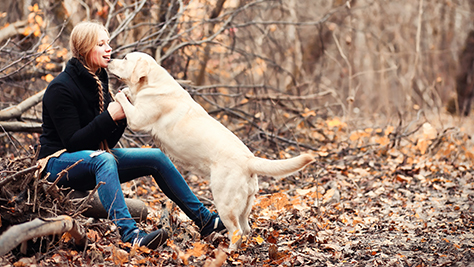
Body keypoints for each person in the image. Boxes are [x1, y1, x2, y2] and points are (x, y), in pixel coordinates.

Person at [37, 20, 225, 250]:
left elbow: (104, 142)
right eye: (101, 44)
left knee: (155, 157)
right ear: (86, 49)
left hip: (92, 159)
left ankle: (205, 220)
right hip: (56, 163)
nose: (109, 49)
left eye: (109, 43)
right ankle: (131, 234)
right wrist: (109, 117)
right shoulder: (61, 88)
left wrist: (122, 116)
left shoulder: (99, 81)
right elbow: (73, 143)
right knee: (104, 159)